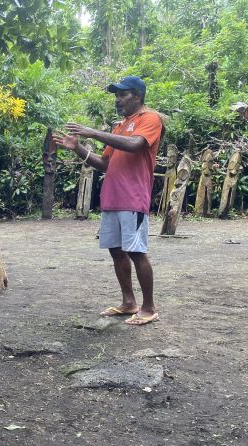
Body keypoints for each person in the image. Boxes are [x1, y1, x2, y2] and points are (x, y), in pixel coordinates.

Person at [52, 76, 163, 325]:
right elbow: (104, 164)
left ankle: (149, 307)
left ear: (137, 95)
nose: (118, 100)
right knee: (116, 251)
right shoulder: (119, 126)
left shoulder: (150, 119)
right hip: (112, 198)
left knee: (136, 251)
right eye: (116, 95)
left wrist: (93, 132)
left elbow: (136, 145)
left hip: (134, 197)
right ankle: (128, 302)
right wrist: (78, 148)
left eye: (122, 95)